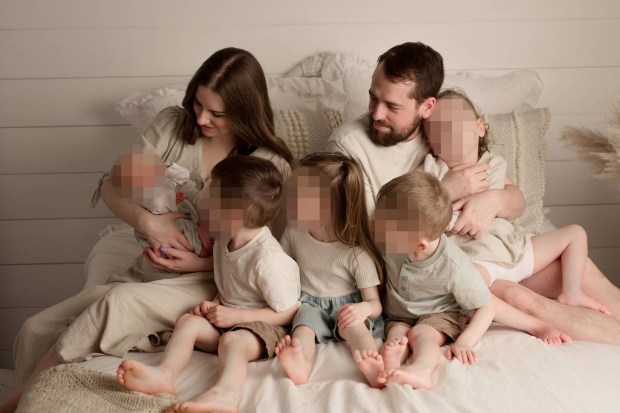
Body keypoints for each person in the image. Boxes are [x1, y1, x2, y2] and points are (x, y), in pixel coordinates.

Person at [2, 47, 294, 413]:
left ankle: (15, 404)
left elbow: (273, 254)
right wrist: (148, 222)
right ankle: (32, 399)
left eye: (217, 113)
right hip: (148, 266)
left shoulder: (268, 165)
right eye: (198, 104)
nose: (202, 118)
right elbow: (112, 184)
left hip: (213, 280)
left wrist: (198, 265)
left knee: (118, 303)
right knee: (33, 328)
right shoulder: (174, 126)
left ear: (245, 111)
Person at [327, 41, 620, 344]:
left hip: (496, 245)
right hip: (435, 271)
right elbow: (359, 235)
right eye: (373, 98)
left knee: (578, 266)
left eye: (393, 106)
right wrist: (443, 192)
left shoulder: (442, 130)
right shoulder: (349, 145)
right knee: (513, 294)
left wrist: (493, 200)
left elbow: (514, 197)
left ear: (427, 108)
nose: (376, 114)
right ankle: (542, 323)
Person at [117, 155, 300, 413]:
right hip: (228, 320)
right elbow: (230, 281)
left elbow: (290, 310)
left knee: (232, 342)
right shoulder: (225, 238)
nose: (205, 202)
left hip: (262, 330)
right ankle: (164, 375)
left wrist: (238, 315)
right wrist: (213, 304)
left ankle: (224, 395)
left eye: (213, 197)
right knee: (188, 322)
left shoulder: (268, 260)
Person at [423, 89, 610, 315]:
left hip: (515, 252)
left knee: (576, 233)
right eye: (438, 128)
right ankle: (497, 313)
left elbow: (516, 202)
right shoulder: (433, 172)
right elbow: (421, 212)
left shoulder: (494, 166)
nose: (450, 130)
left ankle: (572, 292)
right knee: (464, 286)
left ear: (479, 127)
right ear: (430, 143)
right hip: (479, 259)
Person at [373, 171, 495, 389]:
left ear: (420, 245)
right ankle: (392, 363)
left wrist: (465, 342)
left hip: (439, 314)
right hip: (399, 313)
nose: (377, 228)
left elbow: (487, 307)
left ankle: (422, 370)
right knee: (396, 335)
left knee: (423, 334)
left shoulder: (454, 266)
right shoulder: (396, 238)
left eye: (385, 227)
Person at [273, 153, 385, 387]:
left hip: (347, 308)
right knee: (303, 328)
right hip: (309, 304)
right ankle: (300, 364)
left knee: (355, 328)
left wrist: (363, 309)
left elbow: (375, 304)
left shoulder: (355, 252)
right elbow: (278, 267)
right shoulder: (294, 231)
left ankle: (373, 364)